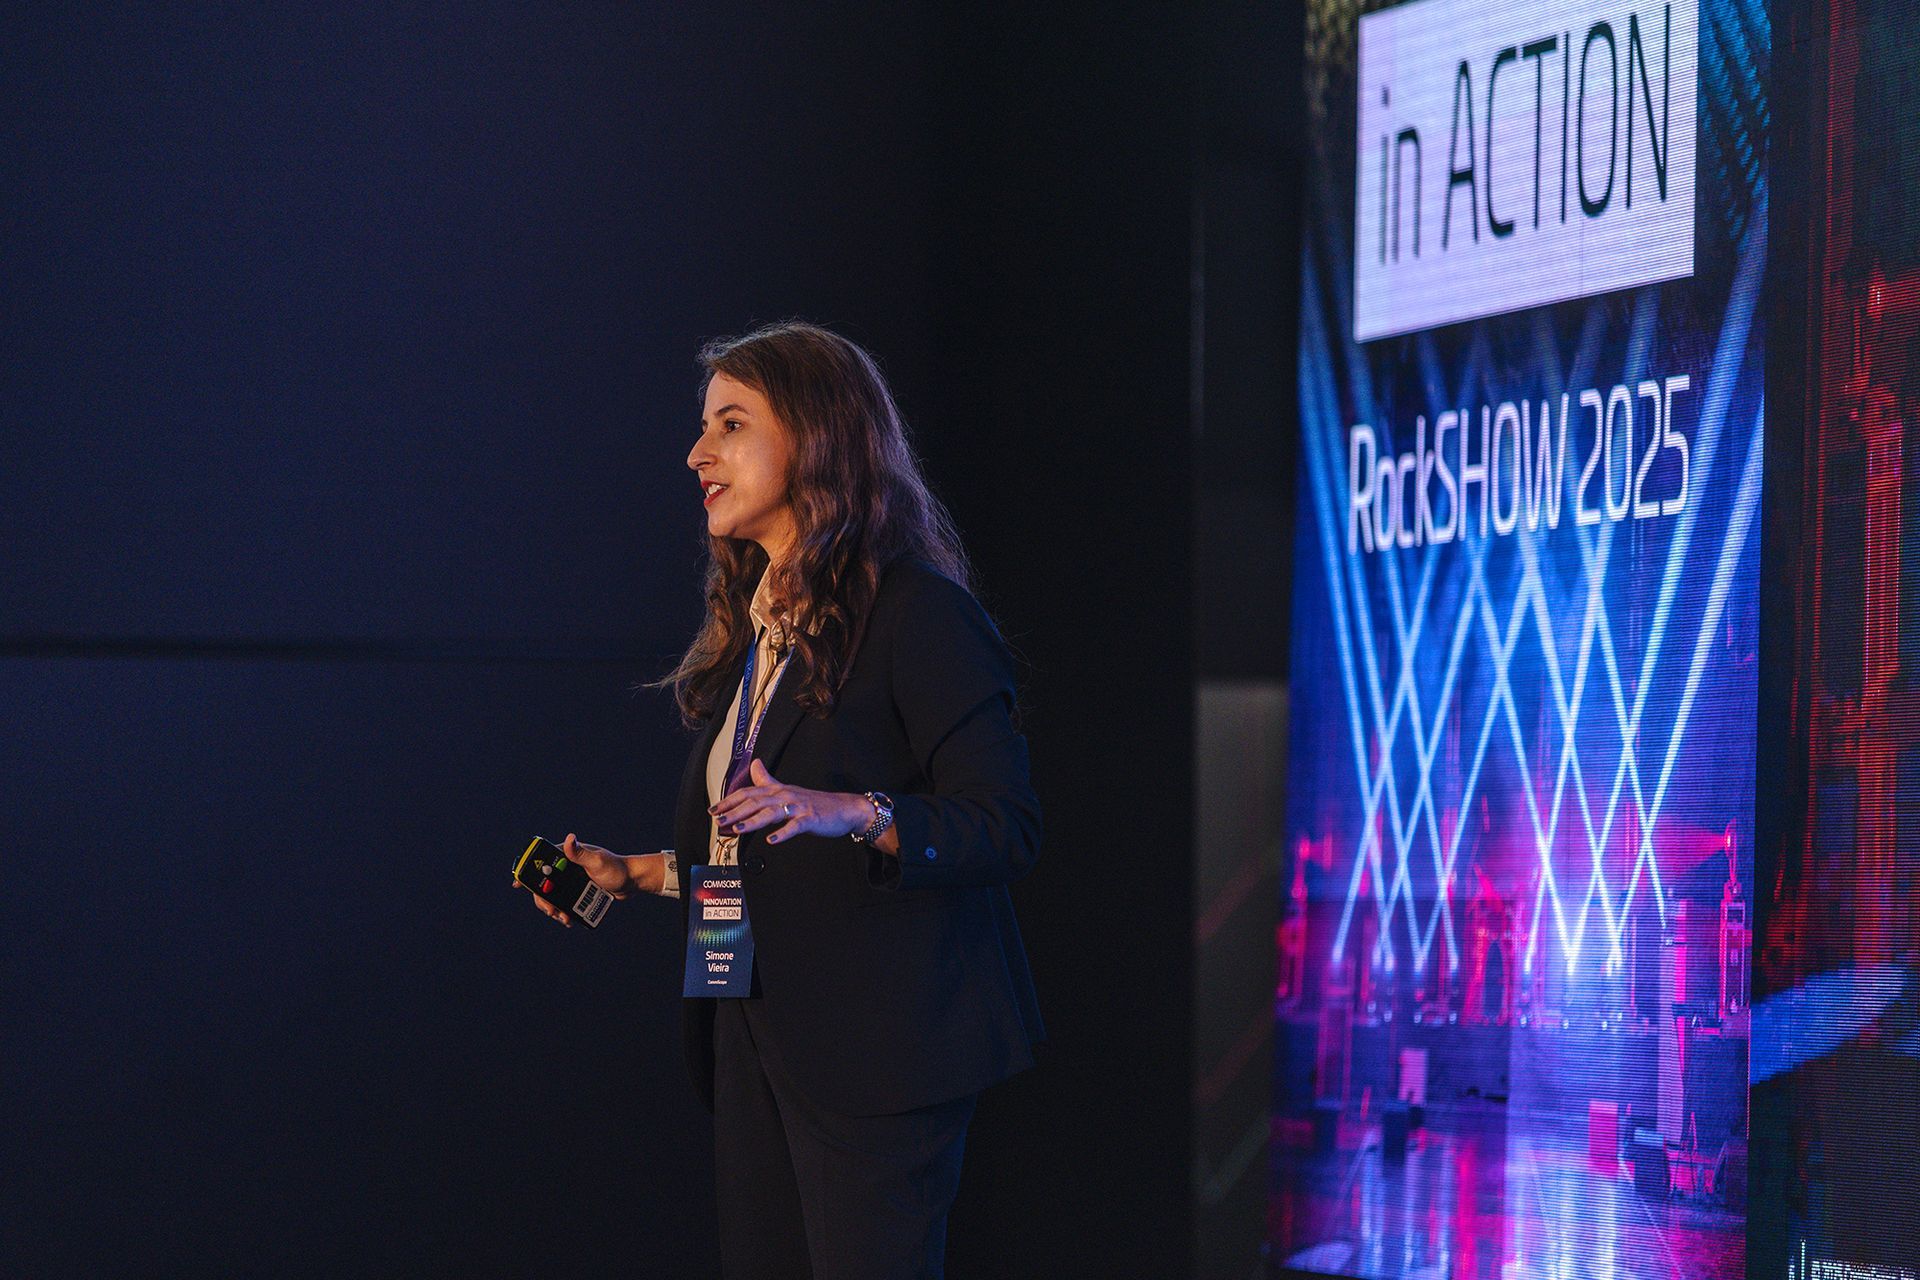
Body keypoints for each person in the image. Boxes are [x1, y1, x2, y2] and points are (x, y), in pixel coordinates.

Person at [517, 321, 1044, 1279]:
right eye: (702, 428)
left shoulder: (918, 612)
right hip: (749, 1030)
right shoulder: (760, 632)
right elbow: (758, 850)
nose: (697, 454)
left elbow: (1004, 826)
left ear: (815, 435)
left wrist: (856, 811)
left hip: (876, 1053)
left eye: (730, 424)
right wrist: (638, 874)